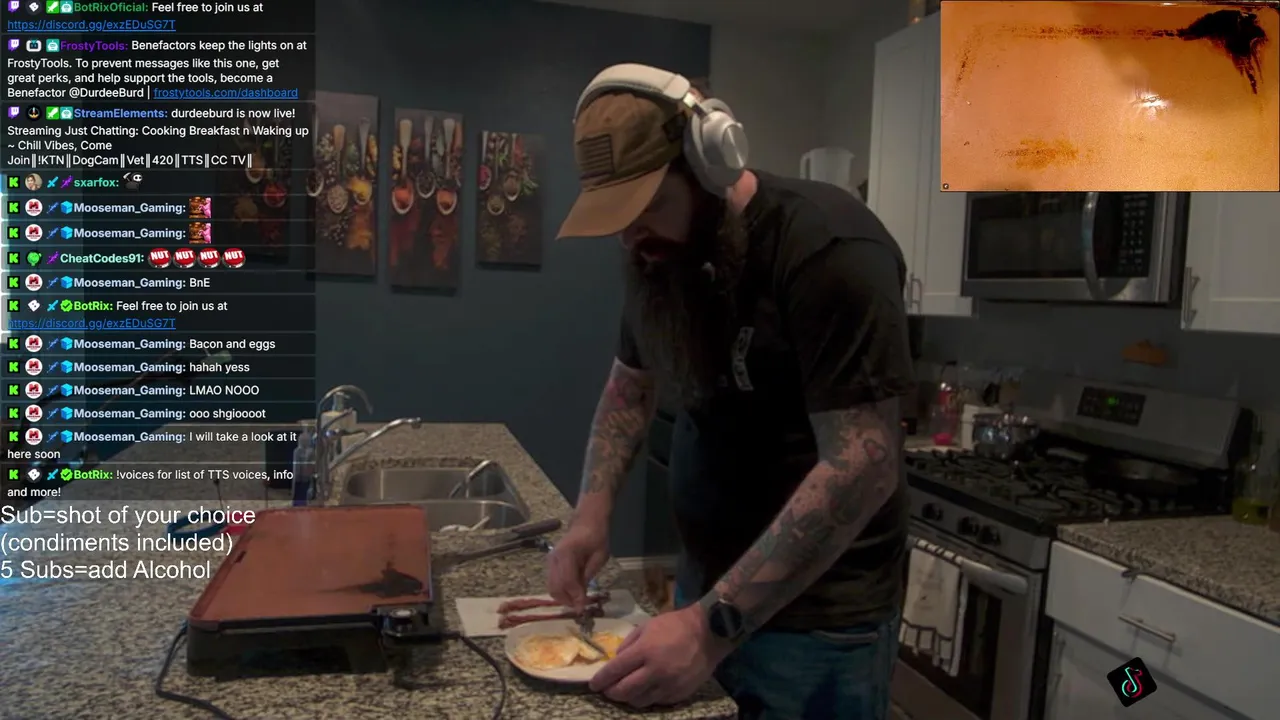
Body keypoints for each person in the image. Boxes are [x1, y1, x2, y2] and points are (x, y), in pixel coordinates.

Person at [548, 64, 913, 719]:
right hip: (705, 595)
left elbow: (863, 462)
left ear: (708, 164)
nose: (630, 237)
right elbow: (629, 390)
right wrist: (590, 517)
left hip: (819, 630)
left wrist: (706, 628)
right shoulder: (660, 258)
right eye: (618, 218)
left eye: (647, 208)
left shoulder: (829, 249)